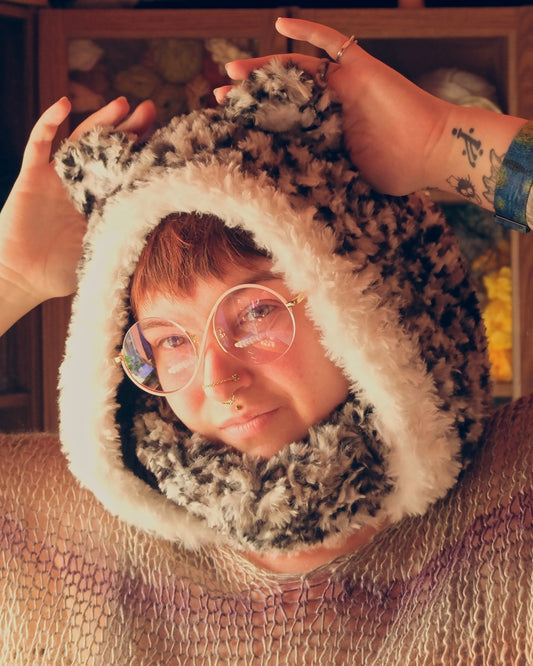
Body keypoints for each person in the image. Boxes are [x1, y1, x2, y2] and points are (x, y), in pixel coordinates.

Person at [0, 17, 532, 664]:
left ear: (365, 293)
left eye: (254, 312)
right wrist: (11, 277)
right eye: (170, 342)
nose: (218, 380)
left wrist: (441, 143)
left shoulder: (515, 493)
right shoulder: (52, 527)